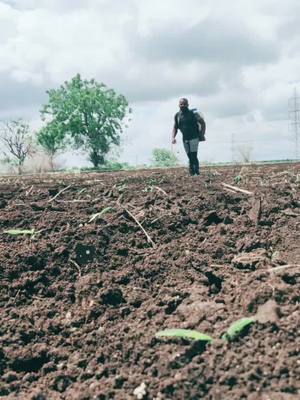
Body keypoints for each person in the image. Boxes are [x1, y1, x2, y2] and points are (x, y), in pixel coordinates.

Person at [172, 98, 206, 176]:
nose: (183, 105)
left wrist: (202, 134)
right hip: (185, 138)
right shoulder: (177, 115)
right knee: (189, 156)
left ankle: (196, 172)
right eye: (181, 104)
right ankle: (192, 173)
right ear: (178, 105)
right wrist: (173, 137)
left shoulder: (193, 113)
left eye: (184, 104)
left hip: (194, 137)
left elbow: (203, 123)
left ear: (188, 105)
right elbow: (175, 127)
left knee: (193, 155)